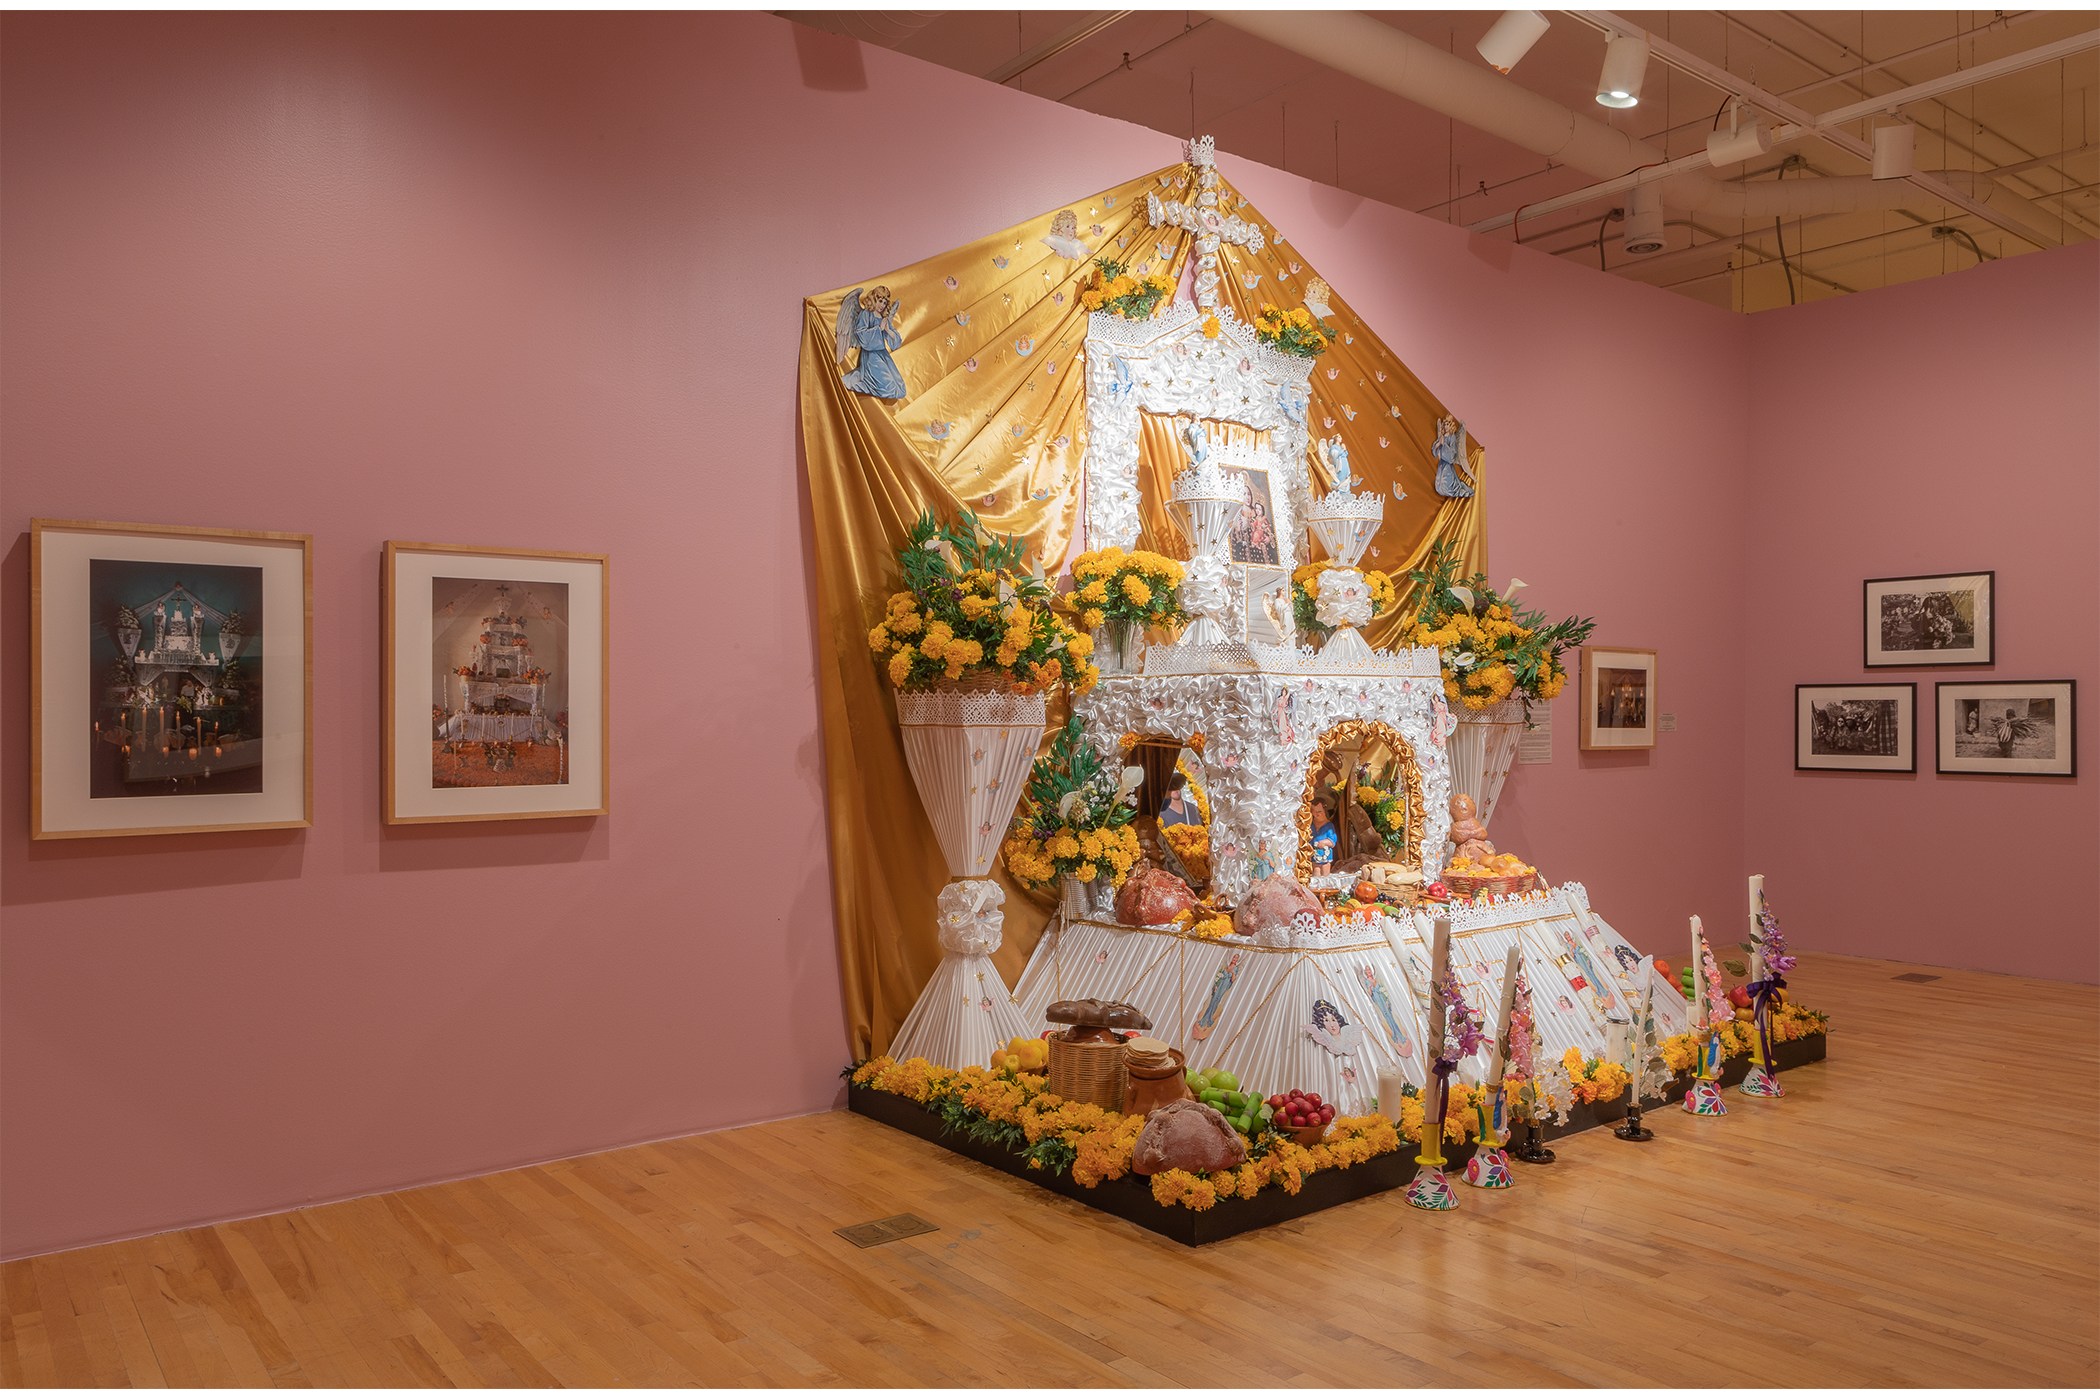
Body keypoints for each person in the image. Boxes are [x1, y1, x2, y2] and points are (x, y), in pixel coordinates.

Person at [1310, 799, 1338, 875]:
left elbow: (1333, 841)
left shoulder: (1329, 826)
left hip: (1325, 857)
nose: (1316, 814)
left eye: (1319, 811)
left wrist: (1324, 843)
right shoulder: (1311, 824)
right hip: (1314, 856)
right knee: (1316, 874)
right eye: (1314, 811)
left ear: (1324, 811)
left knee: (1325, 876)